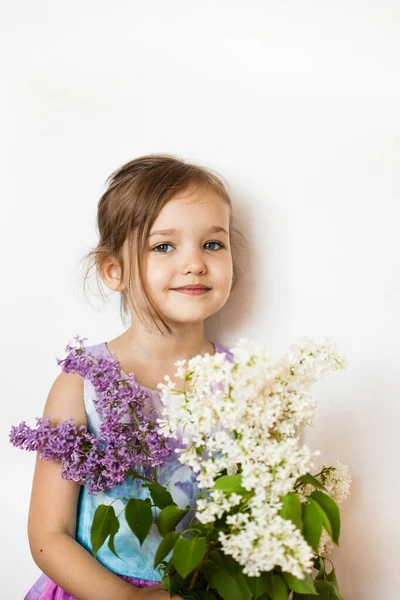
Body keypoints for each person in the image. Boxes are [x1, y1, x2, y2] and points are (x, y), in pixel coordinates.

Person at [24, 154, 246, 600]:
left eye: (212, 244)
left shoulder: (244, 386)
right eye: (164, 246)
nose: (195, 264)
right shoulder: (81, 382)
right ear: (114, 270)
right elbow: (49, 534)